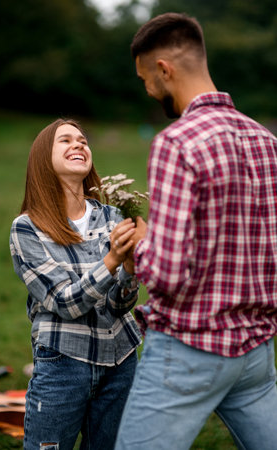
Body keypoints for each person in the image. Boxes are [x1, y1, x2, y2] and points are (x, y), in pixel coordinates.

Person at [115, 12, 277, 450]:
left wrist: (139, 247)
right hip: (257, 351)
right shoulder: (266, 140)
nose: (147, 89)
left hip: (189, 350)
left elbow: (165, 274)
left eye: (145, 78)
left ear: (163, 69)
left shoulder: (177, 142)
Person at [9, 118, 142, 450]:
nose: (79, 144)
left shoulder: (113, 216)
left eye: (83, 140)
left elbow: (118, 306)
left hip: (120, 362)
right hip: (63, 365)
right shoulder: (27, 228)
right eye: (65, 140)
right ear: (43, 159)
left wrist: (130, 269)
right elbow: (66, 303)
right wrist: (112, 260)